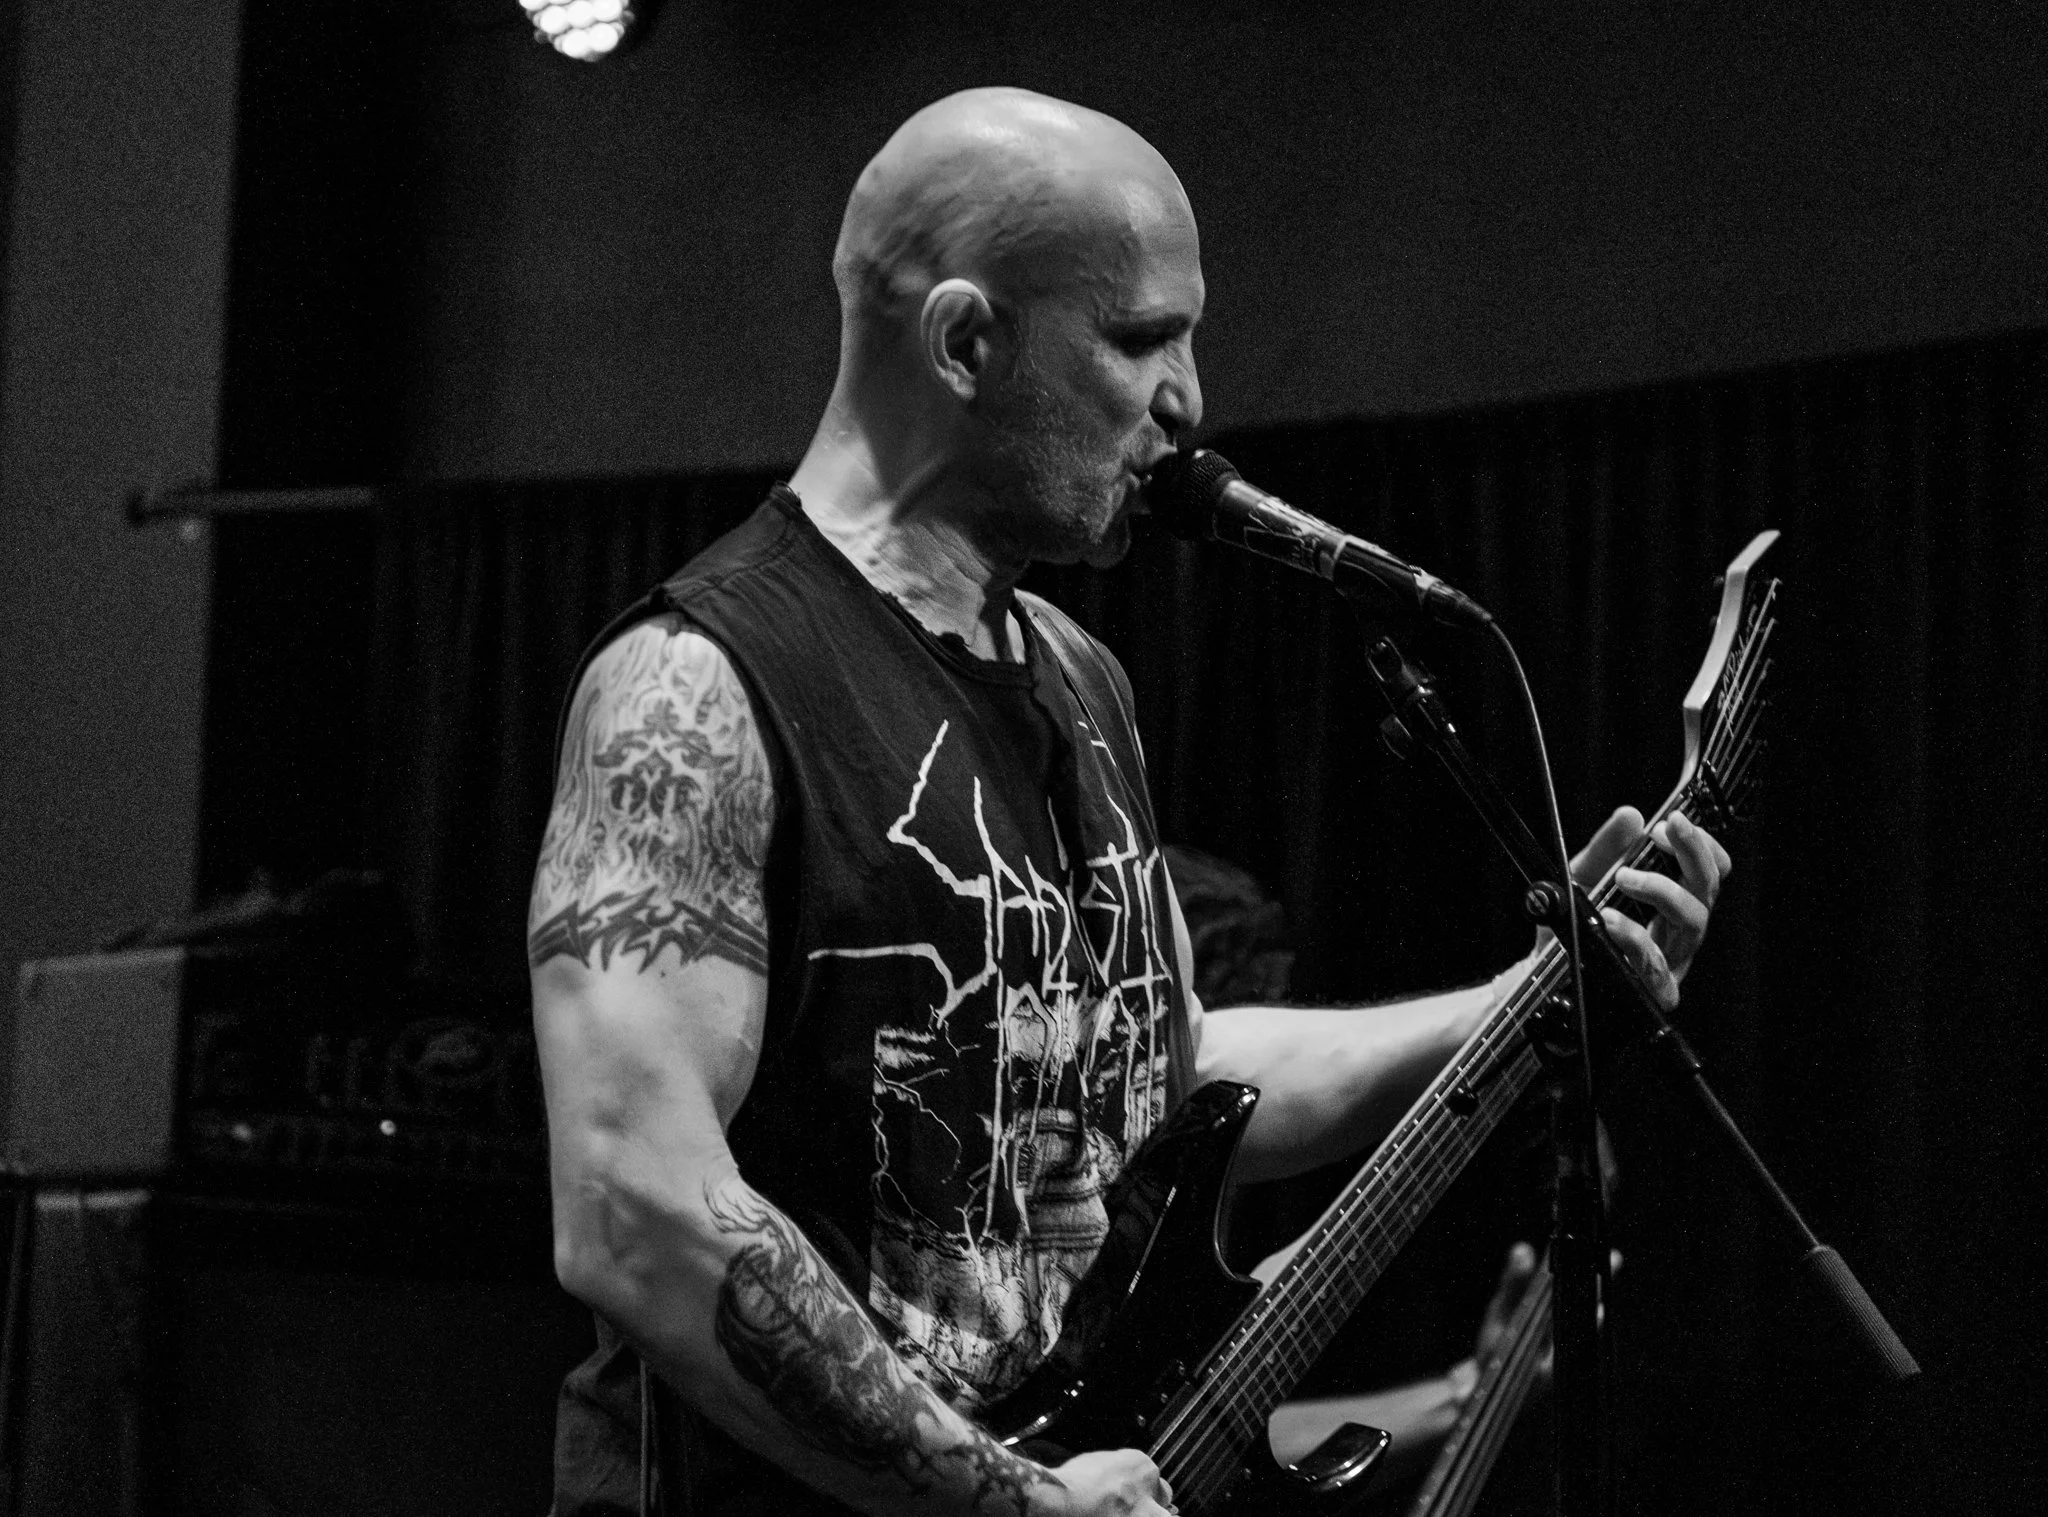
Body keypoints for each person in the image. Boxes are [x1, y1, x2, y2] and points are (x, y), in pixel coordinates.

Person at [528, 87, 1730, 1517]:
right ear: (967, 341)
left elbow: (1152, 1072)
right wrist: (1013, 1502)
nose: (1191, 401)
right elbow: (633, 1207)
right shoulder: (696, 683)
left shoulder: (1084, 682)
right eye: (1143, 338)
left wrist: (1522, 1000)